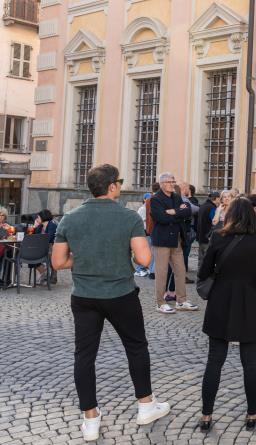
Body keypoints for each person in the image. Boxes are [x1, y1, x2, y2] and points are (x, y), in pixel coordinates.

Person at [51, 164, 170, 442]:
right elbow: (144, 260)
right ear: (112, 186)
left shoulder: (70, 218)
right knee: (136, 347)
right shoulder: (128, 217)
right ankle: (145, 405)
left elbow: (58, 262)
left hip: (84, 296)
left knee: (84, 356)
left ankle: (90, 419)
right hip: (120, 294)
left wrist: (83, 259)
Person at [197, 197, 256, 433]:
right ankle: (252, 414)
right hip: (249, 303)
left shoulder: (219, 237)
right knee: (251, 363)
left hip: (221, 302)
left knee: (214, 362)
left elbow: (204, 271)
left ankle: (206, 415)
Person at [151, 172, 199, 314]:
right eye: (169, 182)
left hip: (177, 239)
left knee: (180, 270)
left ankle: (181, 301)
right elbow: (161, 218)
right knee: (162, 272)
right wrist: (178, 214)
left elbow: (188, 210)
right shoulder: (156, 199)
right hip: (162, 240)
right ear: (162, 184)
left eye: (173, 181)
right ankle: (160, 302)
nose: (173, 184)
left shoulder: (177, 196)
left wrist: (173, 212)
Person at [33, 209, 59, 285]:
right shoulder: (40, 227)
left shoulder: (52, 226)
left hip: (52, 247)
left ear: (43, 217)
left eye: (38, 217)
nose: (37, 219)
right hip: (41, 248)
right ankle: (43, 271)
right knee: (30, 254)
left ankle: (53, 274)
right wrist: (34, 227)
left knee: (50, 249)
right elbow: (33, 238)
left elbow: (49, 238)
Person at [196, 191, 221, 266]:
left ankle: (199, 276)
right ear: (216, 198)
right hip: (208, 237)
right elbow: (214, 222)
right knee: (207, 260)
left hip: (201, 236)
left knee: (201, 259)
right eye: (220, 198)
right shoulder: (212, 208)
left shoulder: (203, 205)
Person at [135, 193, 153, 278]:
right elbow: (141, 221)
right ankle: (139, 270)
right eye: (148, 199)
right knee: (144, 251)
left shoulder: (149, 208)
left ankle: (144, 268)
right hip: (144, 232)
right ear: (144, 199)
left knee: (149, 251)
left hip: (148, 232)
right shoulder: (142, 209)